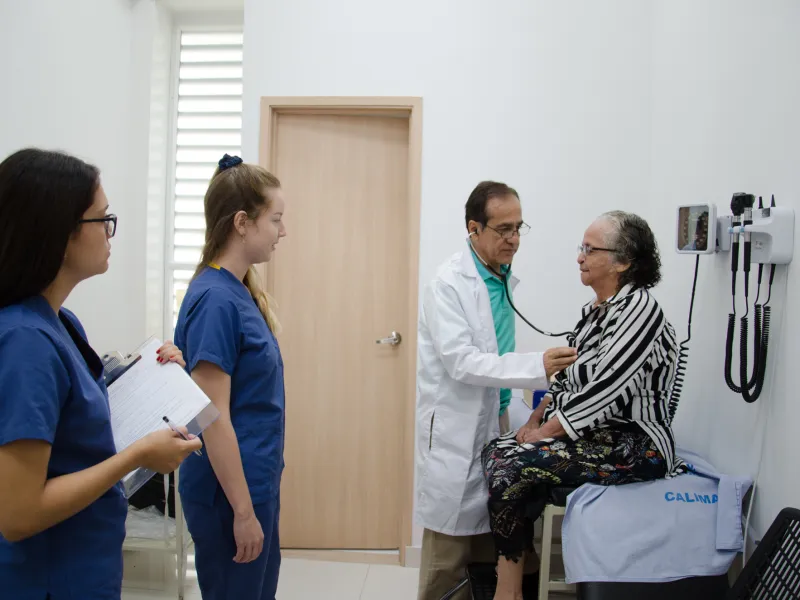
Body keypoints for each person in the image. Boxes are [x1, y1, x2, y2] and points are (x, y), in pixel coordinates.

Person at [0, 148, 202, 599]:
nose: (111, 232)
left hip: (86, 567)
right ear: (61, 231)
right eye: (103, 219)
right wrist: (137, 457)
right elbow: (17, 514)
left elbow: (76, 419)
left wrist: (154, 378)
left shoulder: (59, 322)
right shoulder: (25, 342)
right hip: (48, 578)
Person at [483, 211, 684, 600]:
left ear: (622, 262)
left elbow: (603, 390)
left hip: (636, 443)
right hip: (595, 436)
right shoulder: (596, 312)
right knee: (496, 449)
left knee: (511, 465)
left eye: (590, 250)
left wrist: (544, 433)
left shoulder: (640, 310)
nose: (579, 257)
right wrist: (534, 420)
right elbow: (568, 379)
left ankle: (507, 592)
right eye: (582, 248)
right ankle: (524, 567)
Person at [415, 181, 578, 600]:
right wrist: (537, 366)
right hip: (456, 428)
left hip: (497, 419)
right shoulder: (448, 284)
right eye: (504, 229)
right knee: (449, 557)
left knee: (495, 546)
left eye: (519, 228)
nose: (514, 239)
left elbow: (496, 349)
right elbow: (462, 361)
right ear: (474, 228)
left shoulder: (499, 276)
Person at [174, 154, 287, 600]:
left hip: (253, 483)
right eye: (275, 219)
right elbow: (211, 414)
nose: (282, 231)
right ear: (242, 222)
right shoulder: (217, 301)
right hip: (229, 495)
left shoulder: (237, 291)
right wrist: (242, 511)